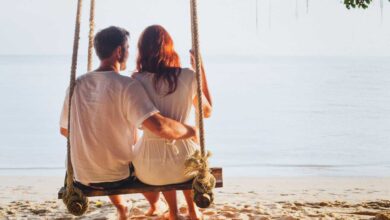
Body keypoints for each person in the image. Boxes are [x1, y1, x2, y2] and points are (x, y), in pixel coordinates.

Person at [59, 26, 197, 220]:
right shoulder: (126, 85)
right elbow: (160, 127)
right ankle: (156, 204)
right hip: (117, 177)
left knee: (114, 156)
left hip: (82, 176)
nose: (129, 53)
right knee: (136, 161)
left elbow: (65, 130)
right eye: (128, 48)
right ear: (119, 51)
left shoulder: (77, 84)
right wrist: (191, 131)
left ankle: (125, 208)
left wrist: (94, 143)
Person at [132, 25, 212, 220]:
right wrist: (200, 71)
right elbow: (207, 111)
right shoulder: (188, 76)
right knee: (187, 160)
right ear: (170, 47)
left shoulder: (135, 80)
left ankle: (174, 213)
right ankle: (193, 211)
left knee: (165, 163)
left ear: (142, 50)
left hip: (149, 168)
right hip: (185, 163)